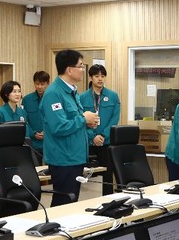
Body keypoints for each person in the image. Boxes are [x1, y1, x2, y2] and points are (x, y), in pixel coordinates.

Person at [40, 50, 99, 206]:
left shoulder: (72, 91)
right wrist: (83, 119)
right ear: (69, 70)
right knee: (64, 202)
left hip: (75, 156)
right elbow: (59, 127)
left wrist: (88, 122)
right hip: (63, 158)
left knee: (71, 201)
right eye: (80, 66)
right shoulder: (54, 93)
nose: (83, 70)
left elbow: (74, 121)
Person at [79, 64, 120, 194]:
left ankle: (107, 200)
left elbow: (114, 119)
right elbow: (80, 120)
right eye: (97, 76)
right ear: (91, 78)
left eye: (102, 76)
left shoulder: (113, 96)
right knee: (88, 176)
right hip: (88, 143)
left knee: (107, 176)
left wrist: (102, 135)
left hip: (106, 142)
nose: (100, 79)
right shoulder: (81, 97)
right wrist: (93, 136)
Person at [22, 70, 50, 162]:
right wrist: (33, 133)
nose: (39, 87)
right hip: (33, 143)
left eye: (42, 84)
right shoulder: (27, 100)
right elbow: (24, 120)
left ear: (47, 83)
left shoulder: (52, 98)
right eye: (37, 84)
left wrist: (47, 132)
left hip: (50, 142)